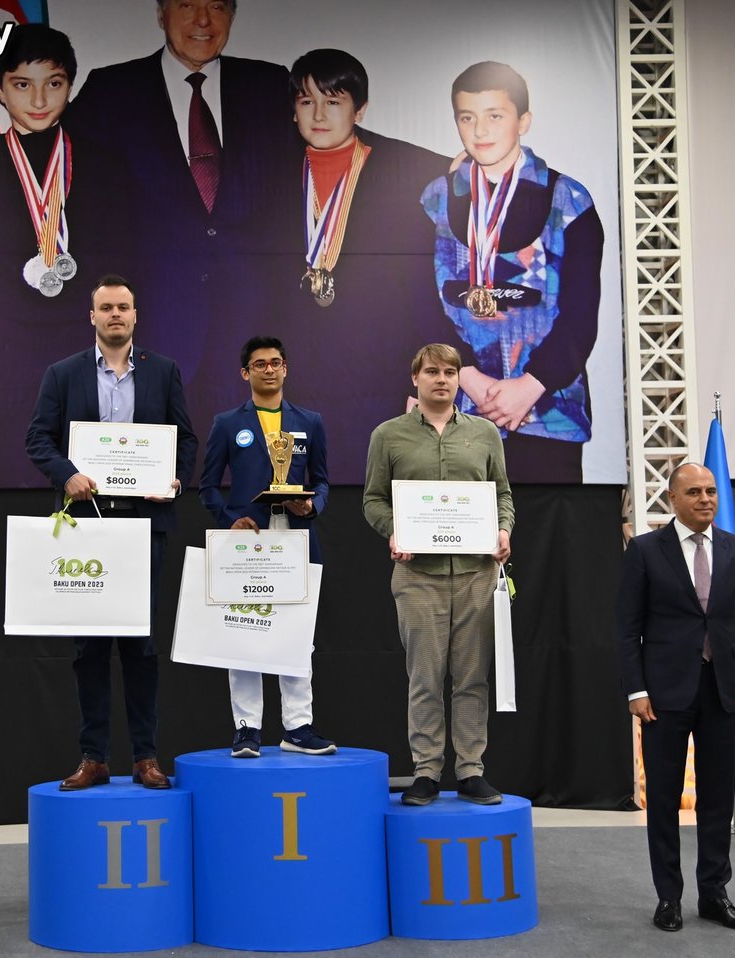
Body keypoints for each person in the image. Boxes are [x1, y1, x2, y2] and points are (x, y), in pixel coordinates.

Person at [65, 0, 297, 418]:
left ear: (233, 14)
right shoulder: (112, 88)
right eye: (188, 5)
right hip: (154, 330)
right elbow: (61, 177)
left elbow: (325, 146)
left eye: (217, 7)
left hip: (251, 330)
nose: (203, 21)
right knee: (161, 477)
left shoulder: (270, 84)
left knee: (246, 473)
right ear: (161, 13)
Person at [25, 273, 197, 790]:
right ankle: (93, 757)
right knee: (91, 649)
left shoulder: (163, 372)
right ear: (92, 316)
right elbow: (38, 439)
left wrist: (174, 479)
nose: (115, 314)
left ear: (136, 315)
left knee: (141, 646)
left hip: (145, 525)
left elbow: (184, 440)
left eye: (124, 306)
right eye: (106, 308)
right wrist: (67, 475)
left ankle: (145, 756)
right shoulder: (62, 374)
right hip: (86, 527)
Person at [0, 24, 121, 487]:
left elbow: (134, 281)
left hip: (91, 371)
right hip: (3, 376)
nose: (39, 100)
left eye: (53, 84)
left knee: (98, 510)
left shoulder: (109, 169)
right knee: (15, 514)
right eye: (22, 84)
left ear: (70, 87)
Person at [420, 61, 605, 484]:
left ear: (524, 121)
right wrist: (468, 378)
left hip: (547, 414)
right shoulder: (432, 202)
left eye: (495, 116)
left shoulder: (569, 201)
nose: (480, 130)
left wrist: (529, 386)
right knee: (460, 548)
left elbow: (580, 318)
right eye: (467, 118)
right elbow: (415, 306)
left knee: (543, 548)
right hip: (457, 410)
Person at [280, 49, 446, 480]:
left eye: (333, 101)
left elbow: (429, 286)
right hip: (294, 374)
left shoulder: (413, 171)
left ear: (361, 109)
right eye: (305, 101)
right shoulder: (267, 170)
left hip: (378, 375)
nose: (318, 115)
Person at [362, 344, 513, 807]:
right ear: (415, 379)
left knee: (472, 678)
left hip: (476, 575)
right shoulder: (388, 435)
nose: (442, 379)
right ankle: (426, 770)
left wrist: (504, 530)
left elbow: (502, 495)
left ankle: (470, 770)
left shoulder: (485, 433)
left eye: (450, 372)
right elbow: (373, 500)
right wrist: (394, 531)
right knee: (425, 677)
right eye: (432, 372)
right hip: (418, 576)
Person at [616, 462, 735, 934]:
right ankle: (668, 898)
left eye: (712, 491)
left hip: (723, 690)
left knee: (718, 798)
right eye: (695, 492)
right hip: (663, 693)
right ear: (673, 500)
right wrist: (636, 690)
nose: (706, 499)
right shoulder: (644, 550)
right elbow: (627, 629)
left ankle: (714, 894)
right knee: (662, 797)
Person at [199, 335, 335, 757]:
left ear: (286, 368)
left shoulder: (309, 421)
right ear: (246, 373)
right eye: (260, 364)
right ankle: (247, 728)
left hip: (295, 538)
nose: (269, 369)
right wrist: (229, 520)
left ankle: (298, 727)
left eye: (276, 362)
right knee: (245, 632)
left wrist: (311, 506)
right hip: (247, 541)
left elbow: (324, 481)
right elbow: (206, 486)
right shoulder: (227, 423)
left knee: (295, 636)